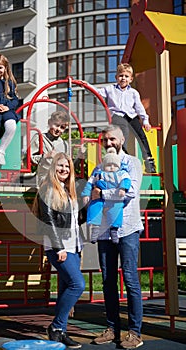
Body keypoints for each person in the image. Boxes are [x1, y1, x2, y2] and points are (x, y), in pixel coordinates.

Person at [88, 125, 144, 349]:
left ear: (122, 139)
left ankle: (134, 332)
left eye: (112, 139)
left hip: (127, 228)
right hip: (104, 230)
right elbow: (89, 191)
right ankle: (112, 328)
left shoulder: (131, 163)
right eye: (105, 139)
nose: (108, 143)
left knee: (130, 279)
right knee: (108, 280)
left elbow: (130, 192)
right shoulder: (99, 166)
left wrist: (103, 193)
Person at [35, 152, 85, 349]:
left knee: (67, 287)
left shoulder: (68, 189)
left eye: (67, 167)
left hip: (74, 245)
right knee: (77, 284)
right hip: (59, 246)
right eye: (60, 166)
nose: (64, 169)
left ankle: (60, 331)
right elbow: (48, 221)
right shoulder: (48, 189)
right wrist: (59, 247)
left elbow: (74, 219)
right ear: (53, 168)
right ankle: (55, 326)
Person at [83, 63, 156, 173]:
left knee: (141, 136)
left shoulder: (133, 93)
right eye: (121, 76)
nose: (123, 78)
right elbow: (97, 93)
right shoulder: (110, 89)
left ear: (131, 79)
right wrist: (86, 85)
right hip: (117, 116)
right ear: (116, 77)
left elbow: (139, 108)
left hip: (131, 115)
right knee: (123, 136)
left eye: (126, 76)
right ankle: (124, 160)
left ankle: (149, 161)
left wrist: (145, 120)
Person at [81, 147, 131, 244]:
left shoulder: (122, 173)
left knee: (117, 210)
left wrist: (122, 188)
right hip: (99, 199)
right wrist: (86, 194)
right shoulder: (99, 174)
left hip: (114, 200)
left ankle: (114, 229)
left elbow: (126, 180)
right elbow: (89, 183)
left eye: (114, 165)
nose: (112, 167)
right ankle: (95, 229)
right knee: (94, 207)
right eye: (108, 165)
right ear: (104, 166)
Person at [31, 110, 85, 187]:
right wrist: (46, 156)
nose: (58, 129)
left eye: (62, 127)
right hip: (46, 177)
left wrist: (79, 156)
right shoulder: (40, 138)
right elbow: (28, 159)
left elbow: (69, 166)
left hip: (61, 178)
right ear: (49, 123)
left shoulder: (64, 144)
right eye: (56, 125)